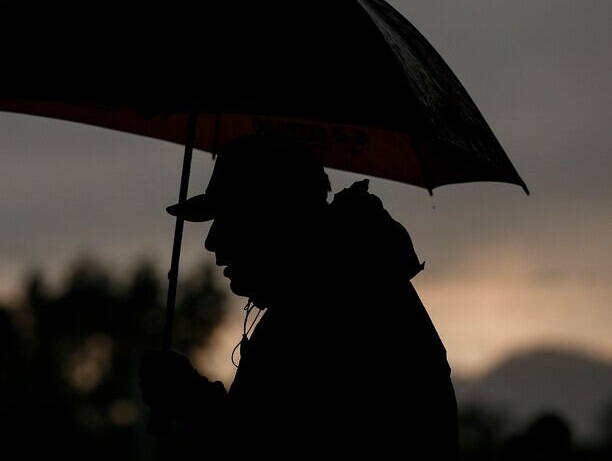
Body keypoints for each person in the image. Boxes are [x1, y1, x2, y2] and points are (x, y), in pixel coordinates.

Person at [140, 133, 459, 459]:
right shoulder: (350, 287)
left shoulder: (327, 310)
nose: (211, 241)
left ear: (274, 218)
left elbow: (273, 442)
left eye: (230, 218)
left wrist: (191, 399)